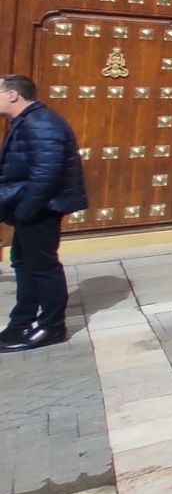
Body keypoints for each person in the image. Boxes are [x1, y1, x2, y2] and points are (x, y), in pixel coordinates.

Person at [0, 75, 88, 352]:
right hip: (30, 207)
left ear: (14, 95)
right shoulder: (27, 121)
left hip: (41, 208)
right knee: (24, 264)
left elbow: (46, 174)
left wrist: (26, 210)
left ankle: (51, 326)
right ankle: (22, 321)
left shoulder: (42, 123)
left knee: (43, 267)